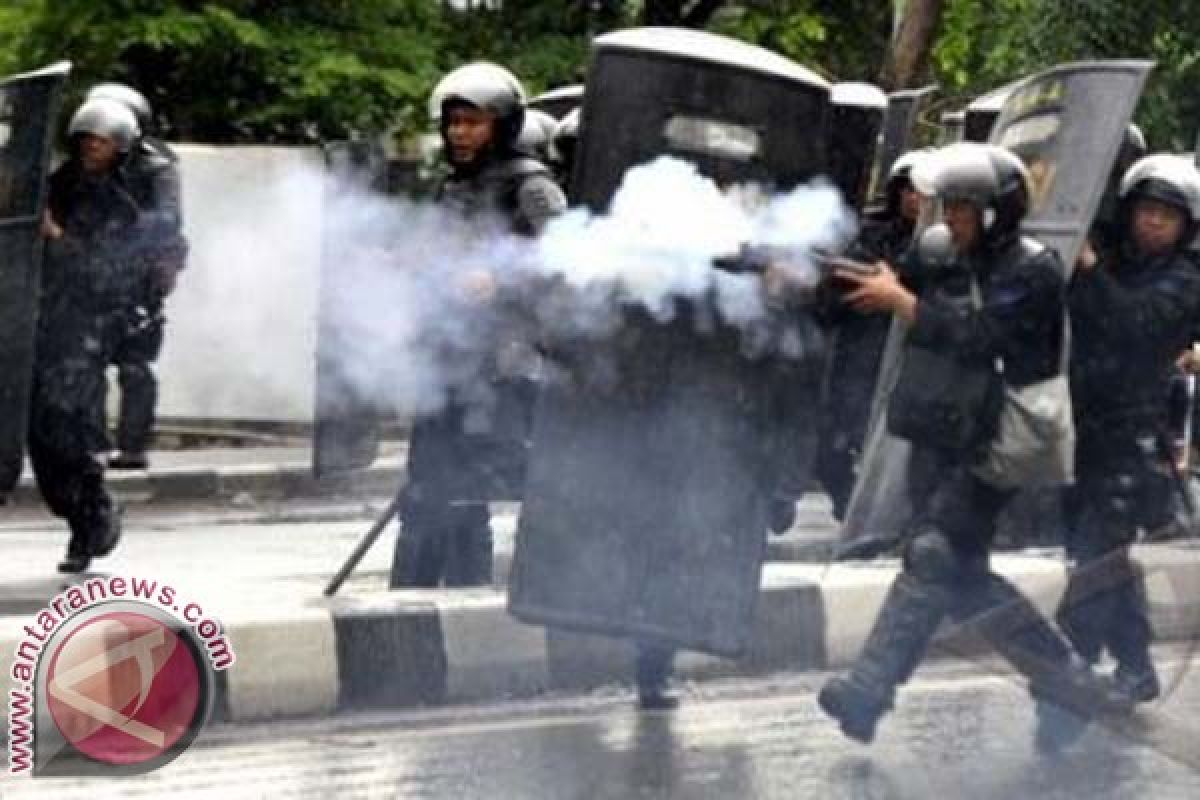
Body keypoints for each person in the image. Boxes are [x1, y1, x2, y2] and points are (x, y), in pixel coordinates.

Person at [817, 142, 1127, 750]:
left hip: (996, 440)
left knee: (933, 554)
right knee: (962, 579)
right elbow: (874, 294)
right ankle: (1068, 682)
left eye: (963, 206)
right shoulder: (937, 251)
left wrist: (906, 304)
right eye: (947, 205)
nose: (949, 217)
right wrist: (818, 281)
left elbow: (984, 337)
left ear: (998, 210)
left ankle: (867, 692)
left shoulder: (1032, 270)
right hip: (938, 432)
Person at [389, 62, 566, 589]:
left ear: (503, 125)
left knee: (486, 486)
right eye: (454, 123)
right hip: (449, 357)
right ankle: (414, 599)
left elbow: (566, 258)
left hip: (503, 363)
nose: (459, 133)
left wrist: (501, 280)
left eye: (473, 122)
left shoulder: (531, 185)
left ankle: (502, 594)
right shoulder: (456, 185)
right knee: (428, 488)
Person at [1057, 153, 1200, 706]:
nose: (1154, 221)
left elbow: (1132, 325)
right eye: (1146, 209)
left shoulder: (1184, 280)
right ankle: (1137, 667)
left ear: (1187, 223)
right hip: (1083, 430)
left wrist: (1092, 271)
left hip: (1134, 441)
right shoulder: (1116, 259)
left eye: (1168, 213)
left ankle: (1067, 673)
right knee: (1099, 556)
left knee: (1096, 557)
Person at [35, 97, 154, 572]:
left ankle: (92, 520)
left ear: (120, 147)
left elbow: (102, 274)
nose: (91, 146)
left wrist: (56, 239)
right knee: (39, 439)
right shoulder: (58, 186)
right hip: (43, 322)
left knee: (68, 430)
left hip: (87, 330)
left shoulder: (120, 209)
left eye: (101, 140)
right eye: (86, 138)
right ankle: (80, 516)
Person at [816, 151, 924, 522]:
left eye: (921, 191)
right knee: (834, 449)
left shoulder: (942, 243)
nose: (914, 199)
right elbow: (830, 303)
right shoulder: (871, 237)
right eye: (907, 190)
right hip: (863, 358)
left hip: (912, 364)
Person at [85, 82, 187, 470]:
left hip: (139, 277)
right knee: (87, 364)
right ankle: (91, 443)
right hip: (91, 273)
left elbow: (167, 220)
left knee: (134, 366)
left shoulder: (156, 167)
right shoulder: (86, 166)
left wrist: (118, 223)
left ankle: (132, 446)